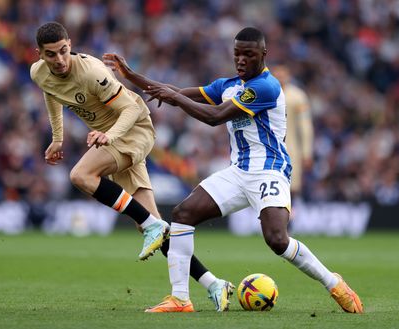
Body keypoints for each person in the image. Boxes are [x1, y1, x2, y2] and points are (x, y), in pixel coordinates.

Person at [104, 27, 363, 313]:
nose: (241, 60)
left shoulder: (266, 87)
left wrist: (175, 98)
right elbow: (174, 91)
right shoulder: (227, 84)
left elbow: (214, 116)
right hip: (238, 172)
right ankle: (180, 298)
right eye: (237, 54)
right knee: (182, 214)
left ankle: (334, 283)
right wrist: (130, 76)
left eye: (248, 55)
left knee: (277, 239)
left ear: (263, 55)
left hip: (269, 170)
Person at [31, 21, 234, 312]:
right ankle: (209, 286)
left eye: (64, 51)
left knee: (81, 175)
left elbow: (131, 108)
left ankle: (154, 226)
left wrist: (109, 135)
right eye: (51, 54)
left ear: (70, 44)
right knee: (153, 227)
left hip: (133, 129)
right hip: (110, 138)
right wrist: (57, 139)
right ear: (39, 54)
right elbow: (51, 94)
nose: (60, 60)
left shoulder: (91, 72)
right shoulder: (39, 73)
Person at [228, 63, 314, 235]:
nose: (281, 77)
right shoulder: (264, 91)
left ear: (289, 75)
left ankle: (285, 225)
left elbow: (305, 126)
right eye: (278, 74)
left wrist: (307, 152)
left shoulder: (297, 96)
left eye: (284, 74)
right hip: (267, 148)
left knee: (291, 188)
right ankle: (273, 223)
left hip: (291, 149)